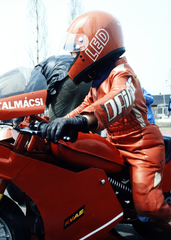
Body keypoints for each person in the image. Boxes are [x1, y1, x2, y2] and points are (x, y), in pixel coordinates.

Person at [40, 11, 171, 233]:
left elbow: (119, 99)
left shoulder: (122, 74)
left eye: (77, 48)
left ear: (98, 43)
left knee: (149, 203)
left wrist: (82, 122)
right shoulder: (97, 82)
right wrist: (62, 121)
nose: (74, 55)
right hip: (115, 144)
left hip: (141, 146)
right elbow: (84, 106)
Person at [30, 55, 90, 121]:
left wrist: (18, 122)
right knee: (86, 123)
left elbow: (30, 96)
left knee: (53, 126)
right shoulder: (50, 63)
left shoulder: (37, 69)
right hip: (88, 79)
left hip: (66, 79)